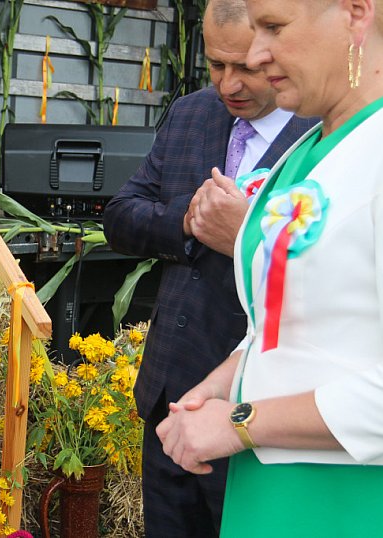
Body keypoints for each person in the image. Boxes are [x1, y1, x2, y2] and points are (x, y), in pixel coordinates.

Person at [156, 0, 383, 534]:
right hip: (271, 486)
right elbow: (296, 320)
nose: (257, 55)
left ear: (356, 13)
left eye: (275, 28)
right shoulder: (311, 147)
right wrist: (221, 382)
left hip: (348, 500)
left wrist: (240, 423)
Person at [102, 1, 315, 535]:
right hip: (169, 394)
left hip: (262, 405)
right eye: (216, 66)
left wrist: (245, 234)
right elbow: (122, 217)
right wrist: (193, 224)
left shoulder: (321, 136)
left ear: (278, 47)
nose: (229, 84)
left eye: (244, 66)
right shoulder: (192, 114)